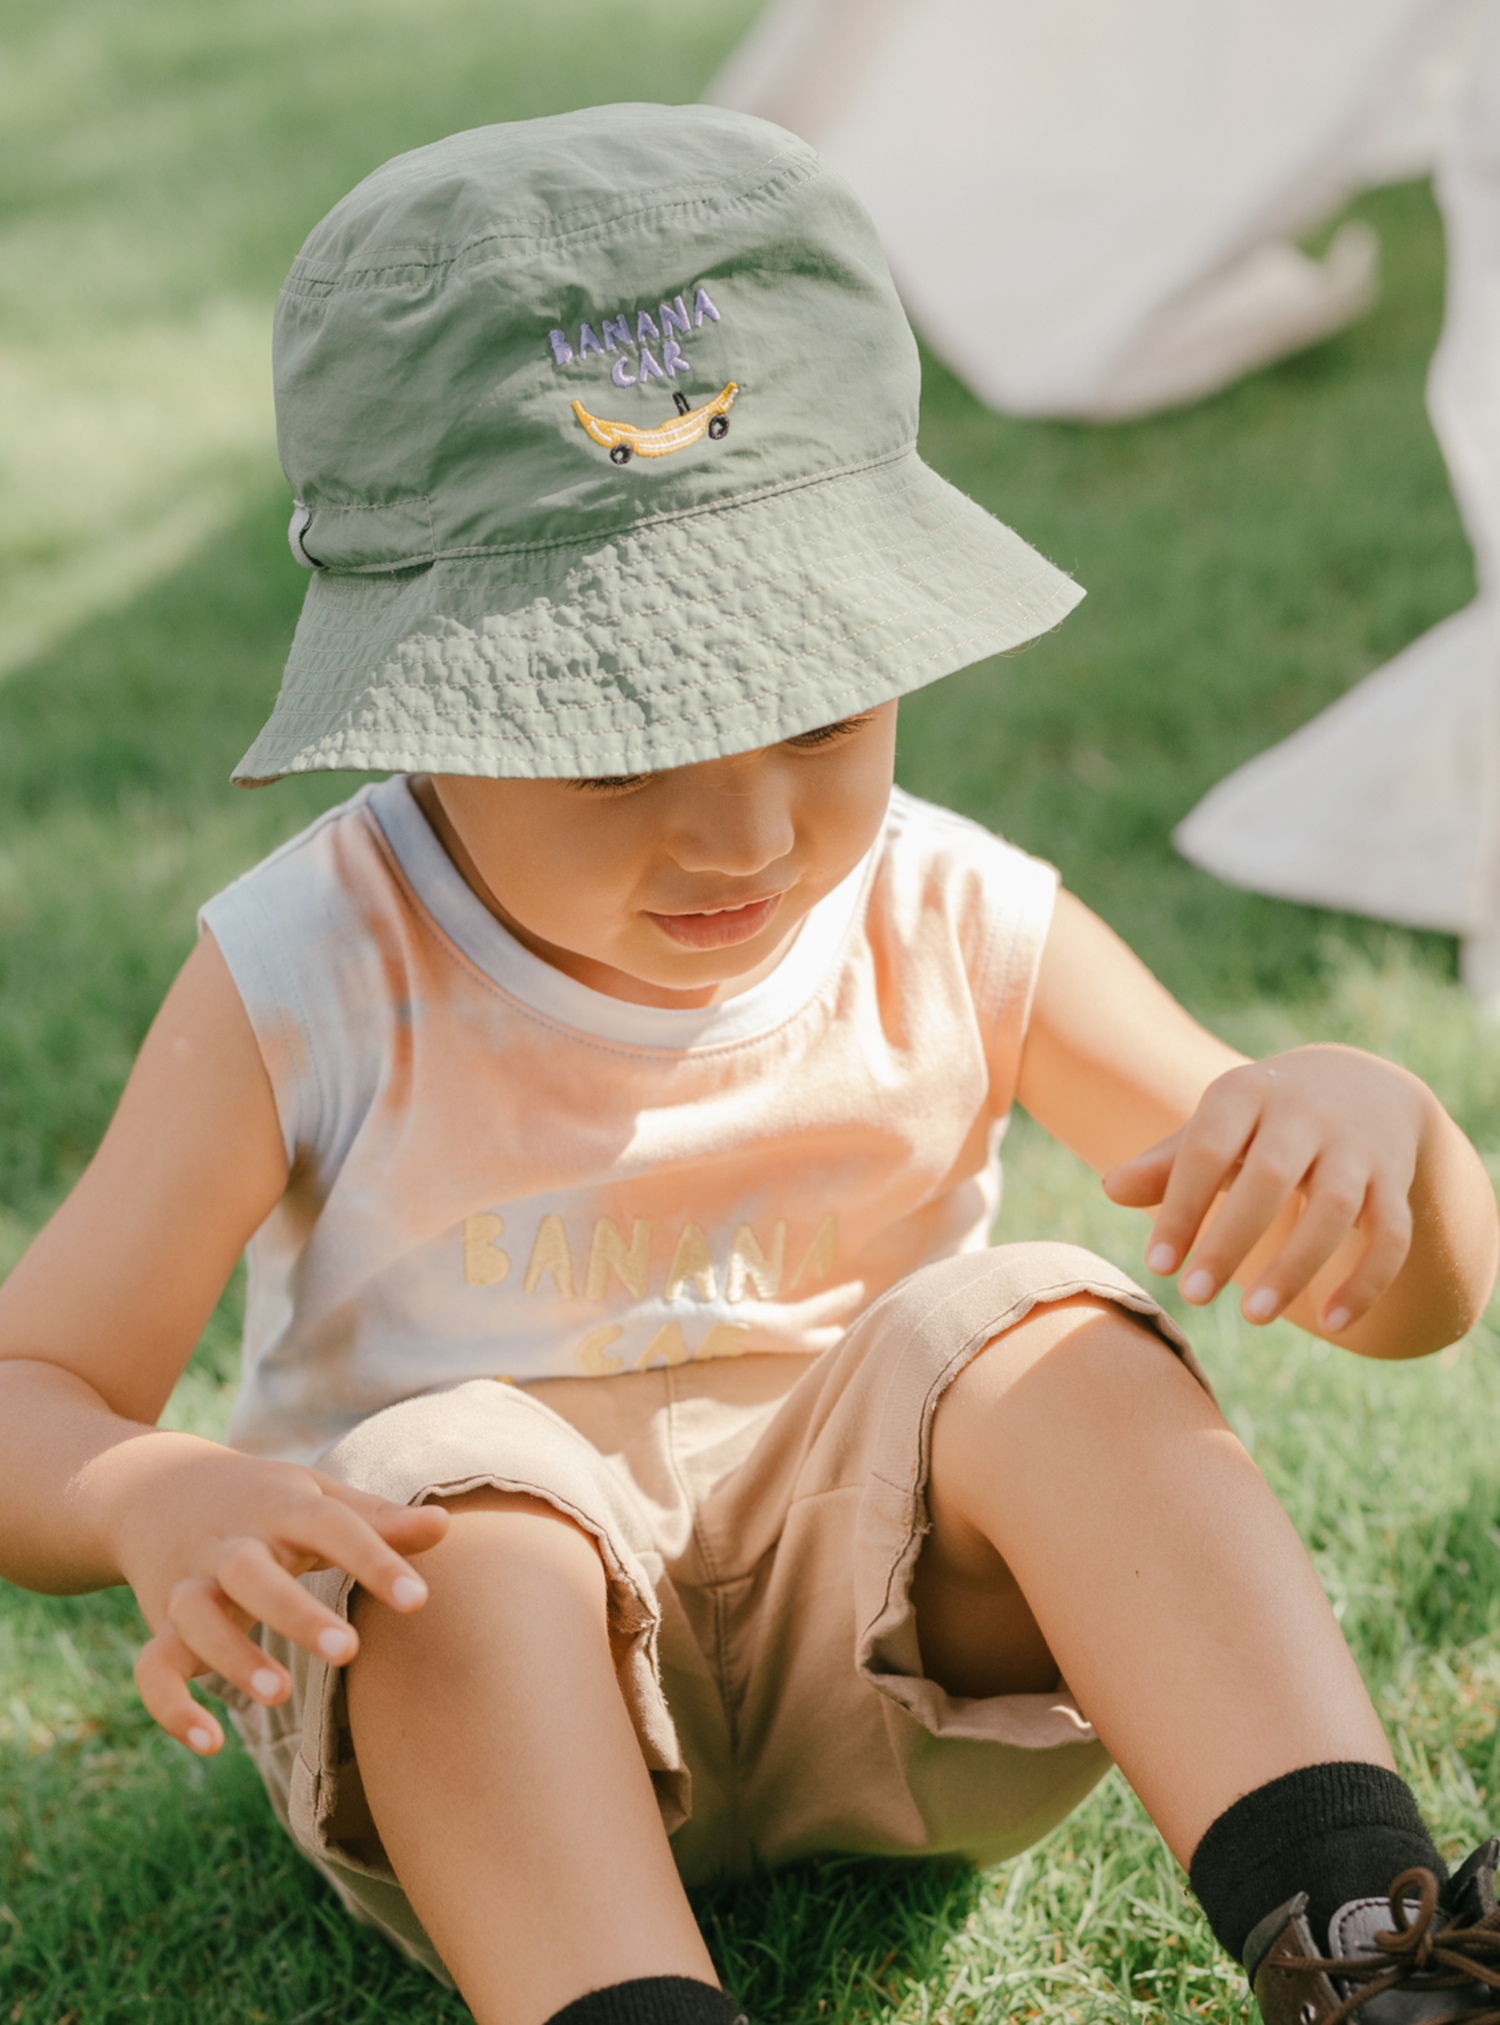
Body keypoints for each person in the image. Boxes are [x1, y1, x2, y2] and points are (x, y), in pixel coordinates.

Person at [1, 103, 1498, 2025]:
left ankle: (1372, 1946)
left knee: (1055, 1327)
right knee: (451, 1501)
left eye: (820, 706)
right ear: (421, 698)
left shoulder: (947, 909)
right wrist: (152, 1496)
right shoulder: (313, 965)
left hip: (891, 1669)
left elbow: (1405, 1304)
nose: (746, 835)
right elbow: (39, 1385)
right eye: (616, 746)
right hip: (495, 1735)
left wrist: (1387, 1137)